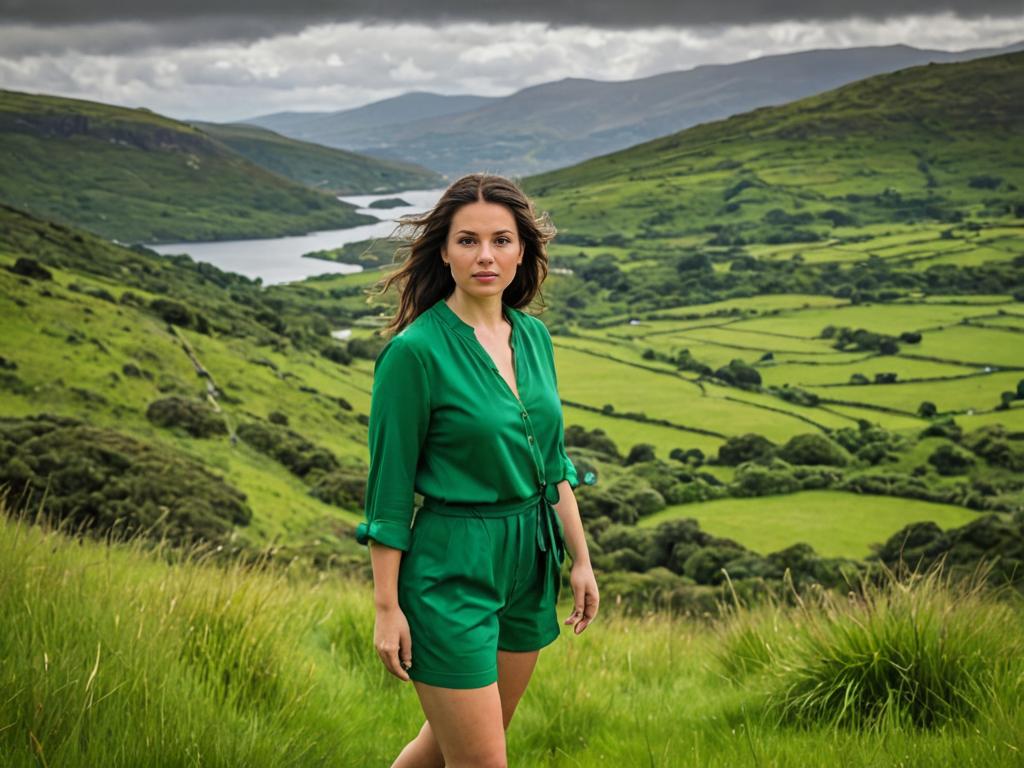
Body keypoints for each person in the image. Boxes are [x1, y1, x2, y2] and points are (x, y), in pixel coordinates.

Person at [354, 172, 599, 768]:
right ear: (444, 249)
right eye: (467, 240)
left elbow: (553, 463)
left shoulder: (535, 337)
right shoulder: (415, 353)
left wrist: (582, 560)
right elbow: (387, 498)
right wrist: (387, 608)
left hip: (529, 561)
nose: (485, 256)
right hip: (451, 568)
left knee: (444, 749)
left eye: (501, 240)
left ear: (523, 251)